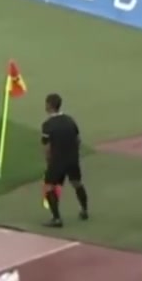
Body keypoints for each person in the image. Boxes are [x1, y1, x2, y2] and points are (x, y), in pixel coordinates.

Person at [39, 92, 88, 228]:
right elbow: (78, 140)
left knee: (49, 187)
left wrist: (48, 161)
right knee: (77, 183)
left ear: (49, 105)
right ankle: (84, 210)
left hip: (57, 161)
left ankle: (56, 218)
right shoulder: (70, 120)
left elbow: (47, 147)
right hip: (72, 159)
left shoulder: (47, 125)